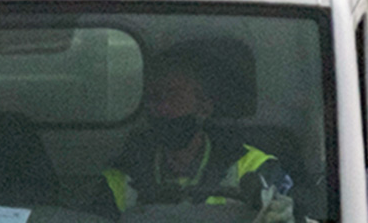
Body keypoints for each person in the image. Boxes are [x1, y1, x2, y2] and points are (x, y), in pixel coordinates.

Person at [102, 44, 292, 223]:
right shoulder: (122, 176)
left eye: (174, 96)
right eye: (155, 98)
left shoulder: (257, 169)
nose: (163, 107)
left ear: (204, 107)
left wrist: (288, 217)